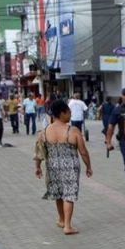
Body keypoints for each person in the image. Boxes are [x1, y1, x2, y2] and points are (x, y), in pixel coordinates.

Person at [34, 100, 93, 235]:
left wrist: (37, 167)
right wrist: (88, 166)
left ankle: (61, 219)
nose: (70, 114)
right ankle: (67, 226)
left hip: (52, 167)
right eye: (68, 112)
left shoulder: (44, 132)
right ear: (62, 113)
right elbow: (83, 151)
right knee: (69, 194)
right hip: (70, 167)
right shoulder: (72, 130)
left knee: (58, 193)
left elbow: (39, 152)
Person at [105, 88, 125, 198]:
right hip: (124, 141)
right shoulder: (118, 110)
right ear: (122, 96)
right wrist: (108, 142)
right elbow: (110, 127)